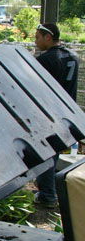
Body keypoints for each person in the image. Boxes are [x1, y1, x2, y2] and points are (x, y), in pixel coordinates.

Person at [33, 22, 79, 208]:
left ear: (48, 37)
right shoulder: (73, 56)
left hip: (48, 113)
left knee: (44, 153)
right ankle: (49, 189)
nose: (35, 41)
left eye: (37, 37)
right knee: (55, 151)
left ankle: (47, 195)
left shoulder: (46, 60)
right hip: (68, 112)